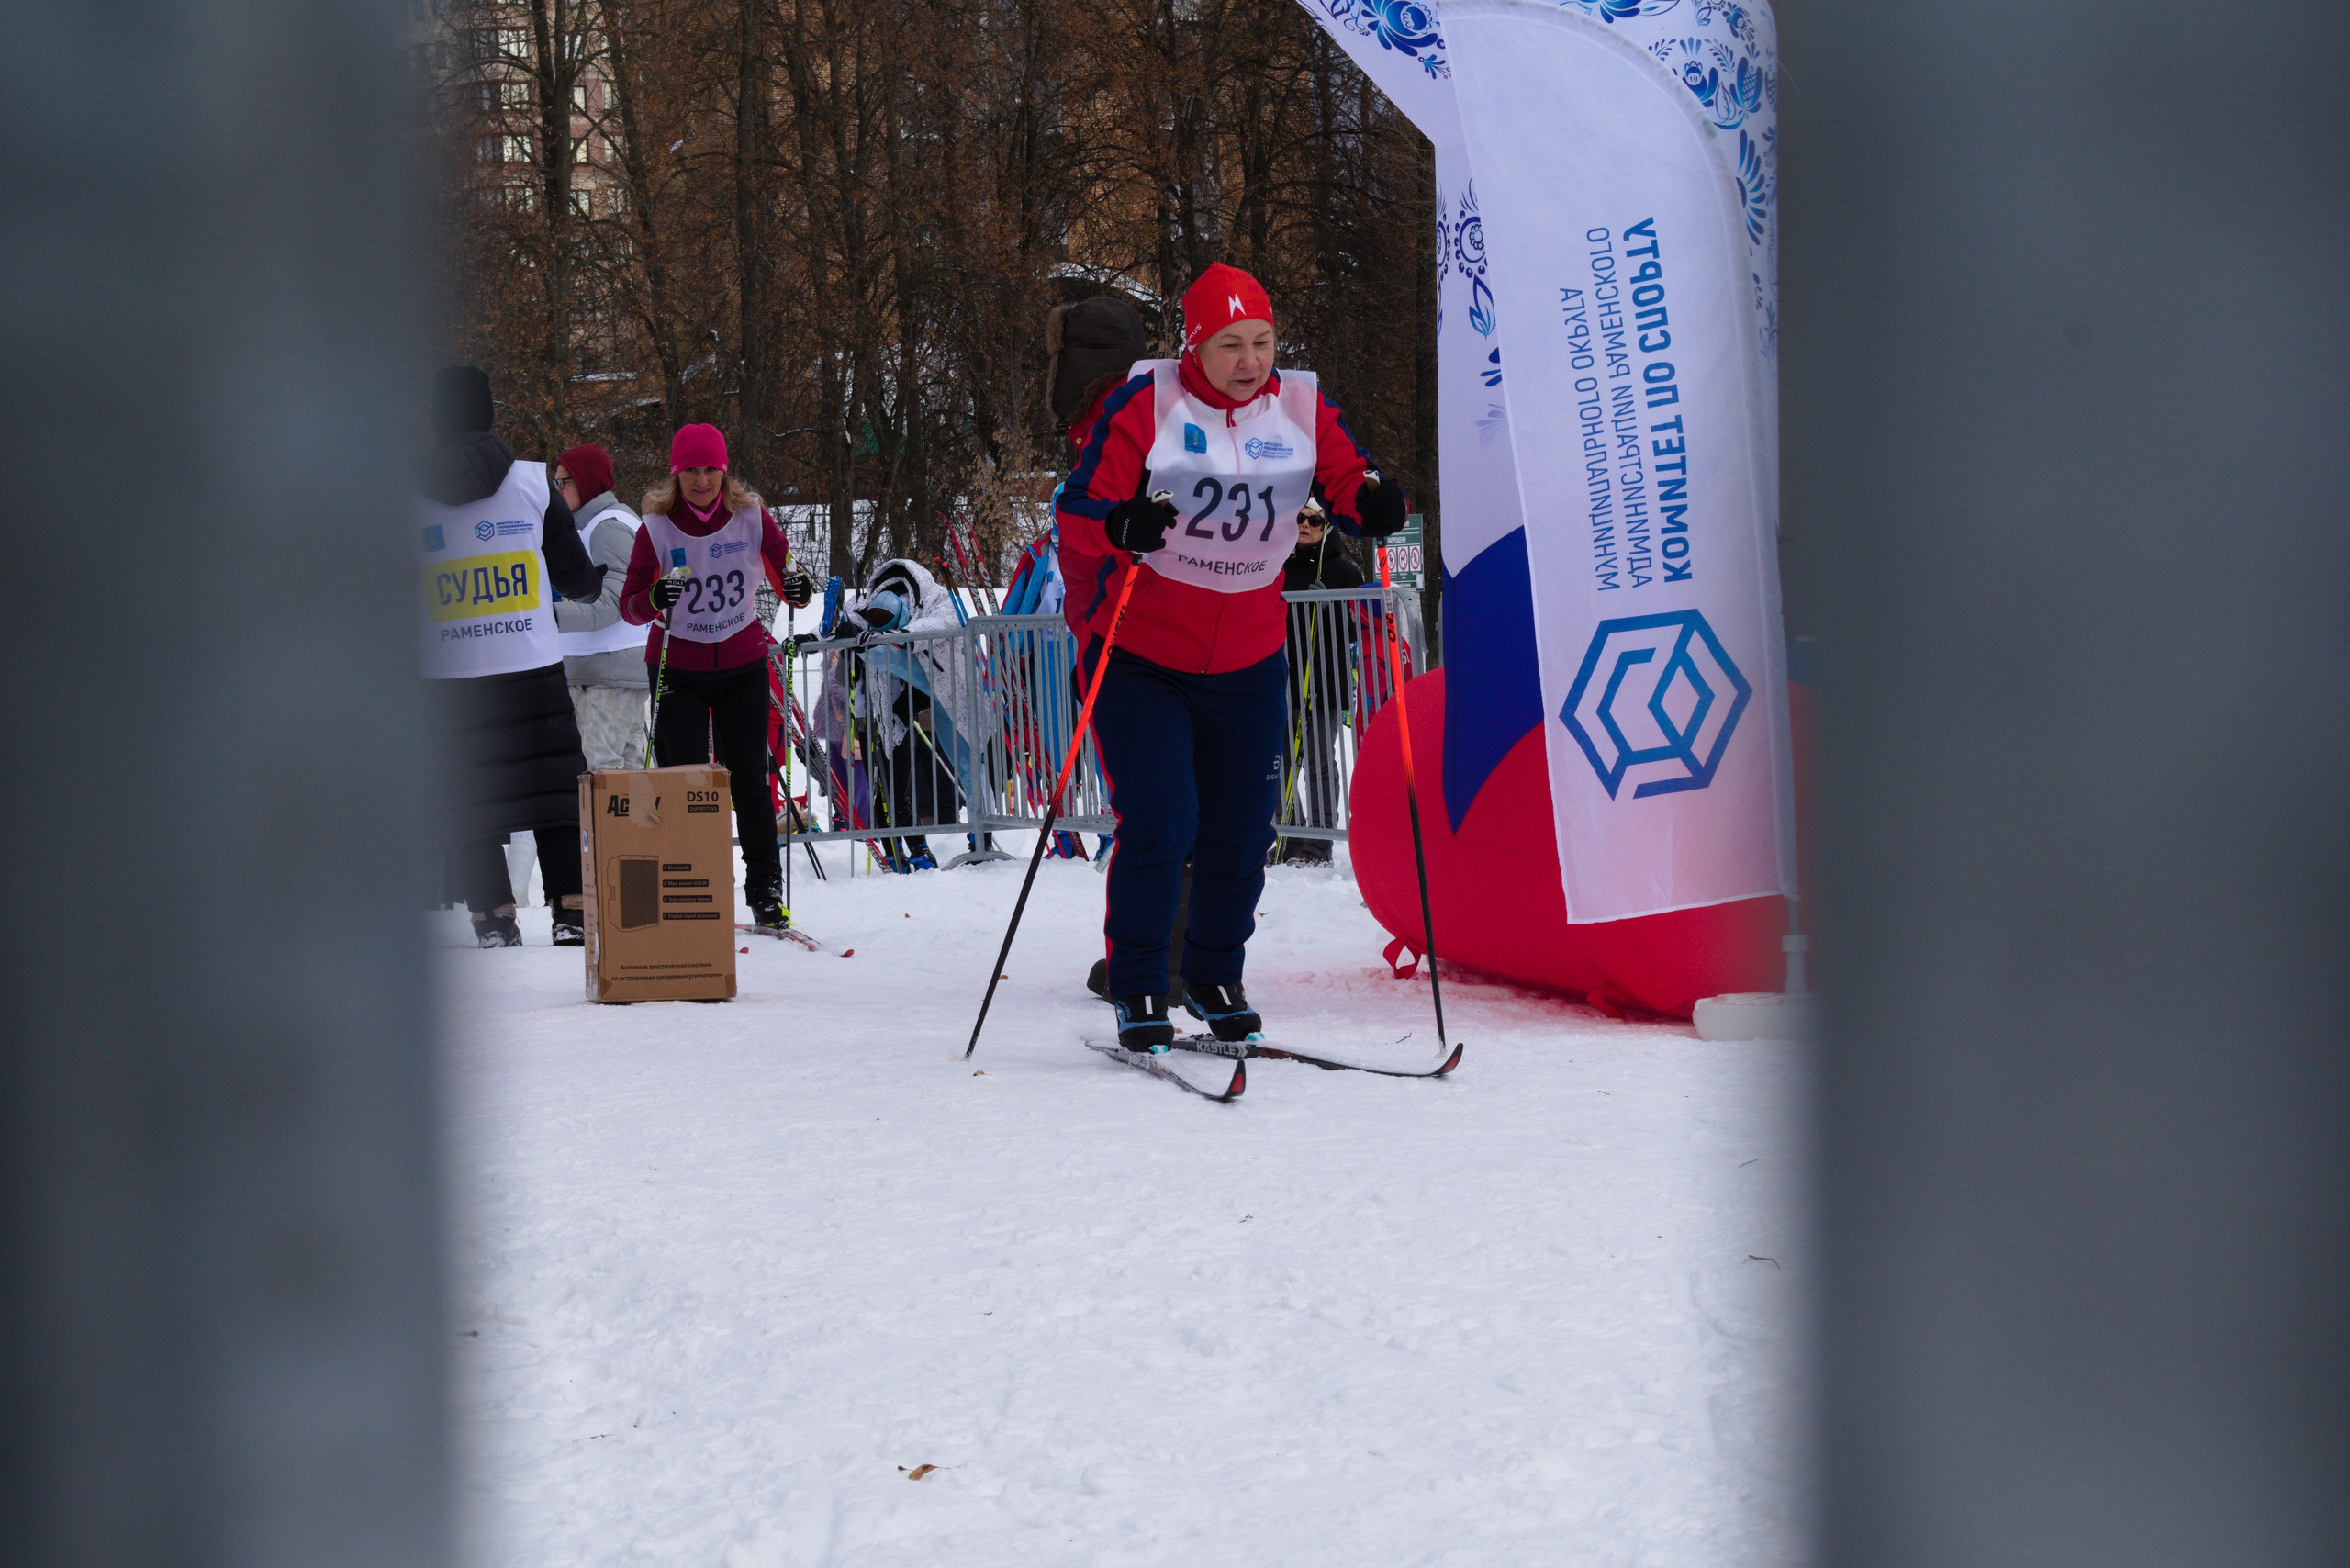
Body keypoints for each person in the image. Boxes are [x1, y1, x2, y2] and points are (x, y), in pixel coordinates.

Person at [1056, 263, 1408, 1049]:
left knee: (1245, 829)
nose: (1251, 362)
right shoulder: (1145, 402)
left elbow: (1349, 474)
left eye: (1263, 341)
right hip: (1142, 652)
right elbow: (1076, 508)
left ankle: (1215, 974)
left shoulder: (1299, 404)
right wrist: (1120, 528)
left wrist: (1373, 501)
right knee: (1162, 819)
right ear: (1194, 345)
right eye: (1230, 345)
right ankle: (1143, 985)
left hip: (1249, 655)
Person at [415, 365, 605, 947]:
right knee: (553, 791)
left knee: (469, 793)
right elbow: (576, 578)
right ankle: (571, 911)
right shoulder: (530, 484)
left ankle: (491, 917)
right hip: (531, 664)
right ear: (489, 413)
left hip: (449, 674)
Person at [617, 424, 811, 928]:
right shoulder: (654, 528)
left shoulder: (750, 517)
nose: (702, 481)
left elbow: (786, 573)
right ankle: (690, 887)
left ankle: (765, 891)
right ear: (675, 473)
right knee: (681, 786)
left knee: (750, 779)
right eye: (691, 471)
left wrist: (798, 586)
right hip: (676, 669)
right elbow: (629, 607)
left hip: (742, 663)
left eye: (711, 470)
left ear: (724, 472)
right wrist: (654, 601)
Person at [838, 557, 975, 871]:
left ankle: (915, 848)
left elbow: (945, 624)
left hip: (897, 711)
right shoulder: (864, 608)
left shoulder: (919, 607)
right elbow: (848, 623)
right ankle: (898, 850)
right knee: (884, 785)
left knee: (898, 783)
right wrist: (848, 626)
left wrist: (904, 634)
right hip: (868, 709)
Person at [1275, 496, 1364, 866]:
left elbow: (1357, 625)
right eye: (1299, 518)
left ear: (1326, 525)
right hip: (1281, 679)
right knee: (1277, 763)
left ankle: (1320, 841)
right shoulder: (1277, 566)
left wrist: (1331, 605)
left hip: (1322, 681)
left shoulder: (1342, 569)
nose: (1305, 525)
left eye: (1313, 519)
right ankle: (1289, 837)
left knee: (1317, 760)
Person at [550, 443, 650, 770]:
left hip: (609, 674)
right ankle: (643, 823)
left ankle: (614, 825)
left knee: (600, 775)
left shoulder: (606, 527)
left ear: (586, 481)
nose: (556, 491)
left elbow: (613, 605)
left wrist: (547, 618)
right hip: (610, 671)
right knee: (629, 775)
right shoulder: (594, 523)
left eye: (562, 483)